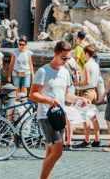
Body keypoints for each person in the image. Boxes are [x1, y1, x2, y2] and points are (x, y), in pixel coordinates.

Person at [31, 40, 76, 178]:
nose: (66, 61)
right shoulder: (43, 71)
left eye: (68, 58)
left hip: (59, 116)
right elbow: (33, 94)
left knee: (50, 152)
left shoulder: (65, 72)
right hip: (46, 115)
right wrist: (48, 100)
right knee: (58, 151)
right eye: (63, 58)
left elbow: (67, 96)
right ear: (55, 54)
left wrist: (81, 100)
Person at [74, 44, 102, 148]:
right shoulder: (95, 64)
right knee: (93, 117)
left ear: (86, 53)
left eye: (83, 53)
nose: (83, 55)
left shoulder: (87, 65)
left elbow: (87, 81)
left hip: (86, 93)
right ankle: (97, 139)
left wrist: (77, 83)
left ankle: (87, 140)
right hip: (94, 92)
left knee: (84, 118)